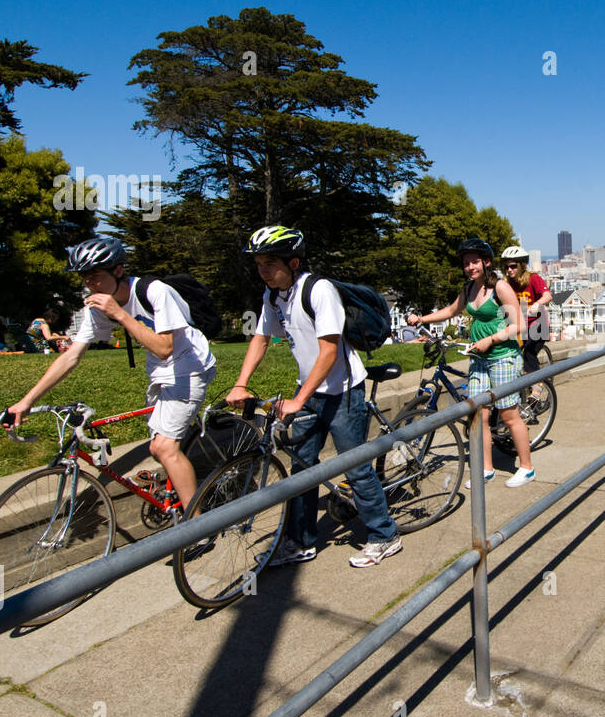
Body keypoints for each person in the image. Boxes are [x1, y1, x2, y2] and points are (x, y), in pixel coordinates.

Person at [228, 226, 402, 568]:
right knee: (302, 469)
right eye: (259, 263)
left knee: (355, 467)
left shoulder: (319, 290)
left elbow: (328, 351)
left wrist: (296, 400)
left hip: (342, 391)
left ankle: (384, 535)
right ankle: (300, 542)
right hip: (307, 390)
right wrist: (240, 383)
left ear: (293, 262)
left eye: (270, 263)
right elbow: (261, 339)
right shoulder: (273, 296)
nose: (262, 270)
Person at [7, 236, 216, 515]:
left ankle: (198, 527)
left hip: (190, 367)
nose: (90, 285)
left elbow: (164, 348)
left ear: (118, 271)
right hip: (159, 371)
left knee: (164, 447)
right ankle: (175, 485)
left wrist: (120, 314)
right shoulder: (97, 306)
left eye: (95, 276)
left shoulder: (154, 291)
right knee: (158, 445)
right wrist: (26, 401)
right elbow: (71, 356)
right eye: (85, 278)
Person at [407, 239, 535, 488]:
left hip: (503, 357)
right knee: (478, 415)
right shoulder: (469, 289)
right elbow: (451, 310)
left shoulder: (501, 288)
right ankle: (486, 468)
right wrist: (422, 318)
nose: (470, 267)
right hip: (478, 358)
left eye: (475, 261)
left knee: (509, 416)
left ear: (486, 262)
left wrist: (491, 339)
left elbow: (519, 324)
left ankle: (526, 467)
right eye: (466, 263)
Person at [500, 245, 552, 373]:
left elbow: (547, 296)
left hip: (538, 322)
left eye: (513, 266)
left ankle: (536, 388)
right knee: (507, 351)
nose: (509, 270)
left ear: (522, 265)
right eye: (506, 267)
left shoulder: (533, 278)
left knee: (529, 353)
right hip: (520, 324)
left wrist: (536, 304)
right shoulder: (507, 283)